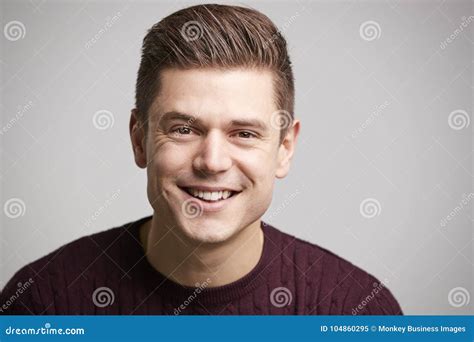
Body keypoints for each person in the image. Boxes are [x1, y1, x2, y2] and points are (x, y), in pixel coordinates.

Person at [0, 4, 402, 315]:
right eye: (183, 129)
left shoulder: (354, 308)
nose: (212, 161)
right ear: (139, 139)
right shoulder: (44, 300)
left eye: (244, 134)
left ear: (284, 148)